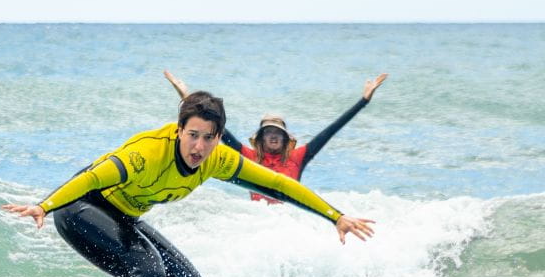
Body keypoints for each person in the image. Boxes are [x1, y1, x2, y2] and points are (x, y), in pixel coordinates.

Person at [2, 92, 374, 277]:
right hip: (79, 207)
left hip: (123, 217)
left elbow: (278, 185)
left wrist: (335, 216)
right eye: (192, 135)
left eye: (209, 137)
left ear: (218, 138)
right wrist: (45, 205)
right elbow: (93, 177)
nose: (199, 146)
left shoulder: (218, 160)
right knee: (149, 272)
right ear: (179, 130)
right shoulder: (148, 152)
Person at [164, 70, 387, 203]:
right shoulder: (249, 156)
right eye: (268, 132)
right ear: (260, 138)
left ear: (285, 138)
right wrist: (186, 96)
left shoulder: (299, 157)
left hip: (287, 221)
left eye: (277, 132)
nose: (272, 136)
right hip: (259, 221)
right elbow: (215, 126)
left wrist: (363, 101)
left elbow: (332, 130)